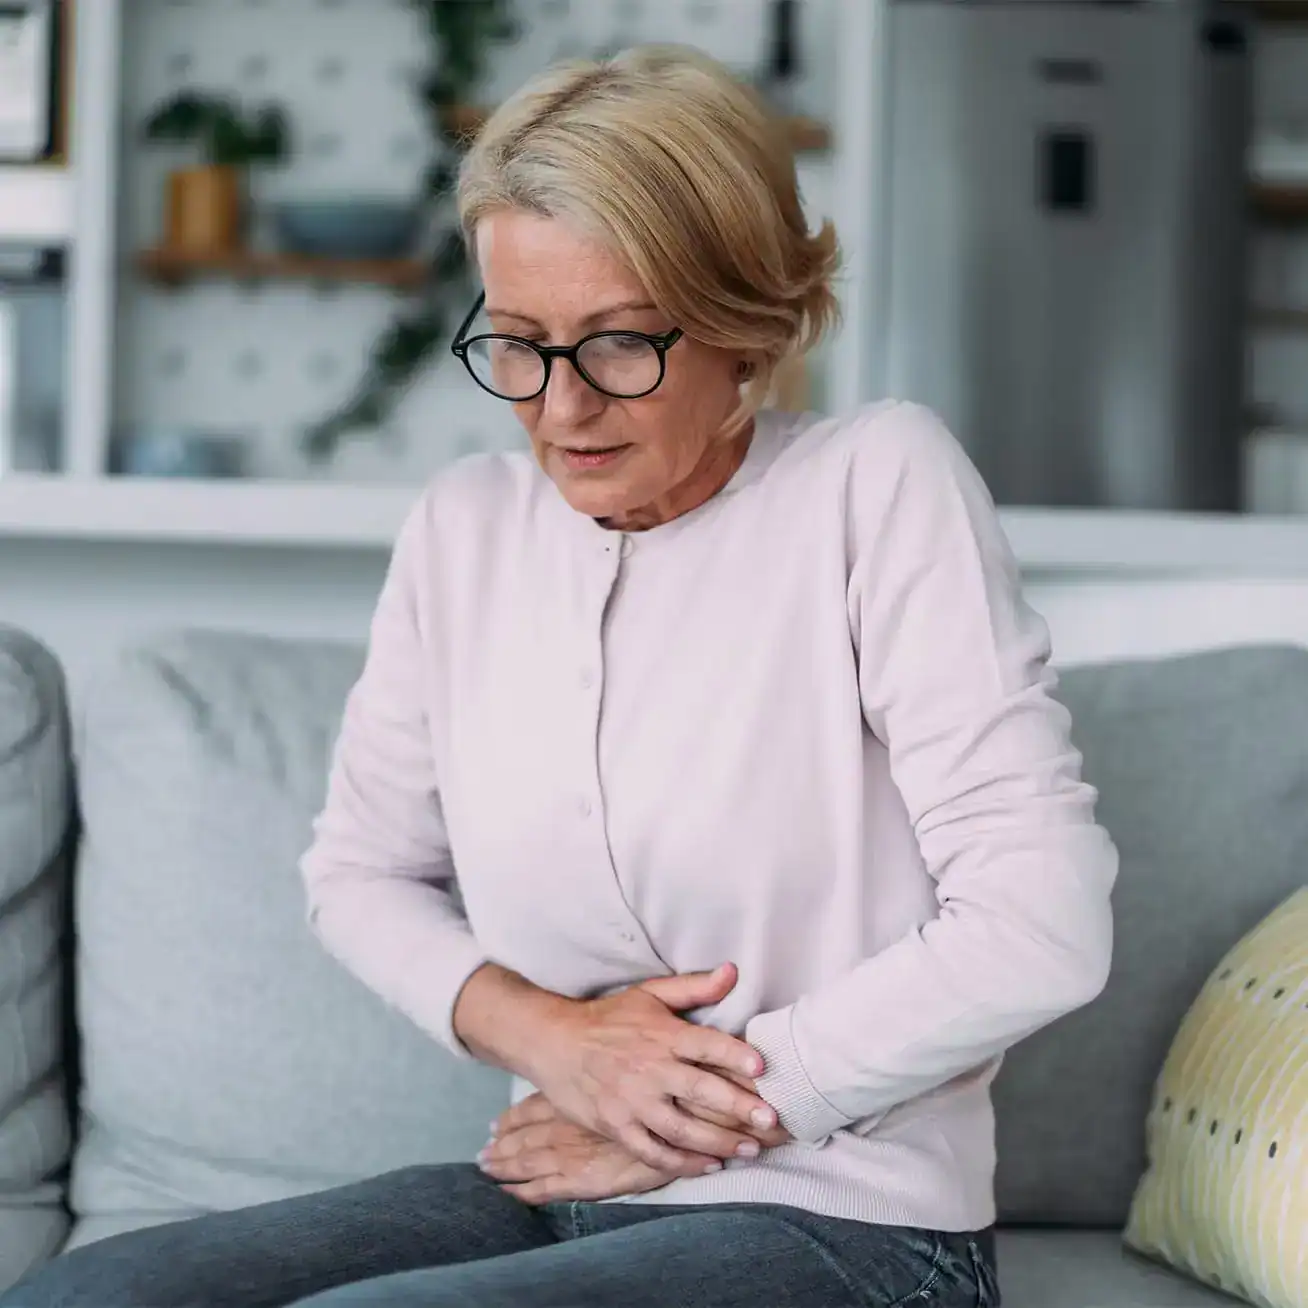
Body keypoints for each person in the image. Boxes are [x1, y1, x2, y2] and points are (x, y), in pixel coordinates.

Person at [1, 43, 1117, 1308]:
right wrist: (562, 1043)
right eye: (519, 343)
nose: (561, 408)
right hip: (559, 1181)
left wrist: (711, 1106)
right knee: (88, 1298)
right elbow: (358, 874)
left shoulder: (877, 486)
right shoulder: (463, 530)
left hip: (852, 1222)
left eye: (618, 344)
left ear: (744, 322)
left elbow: (1043, 919)